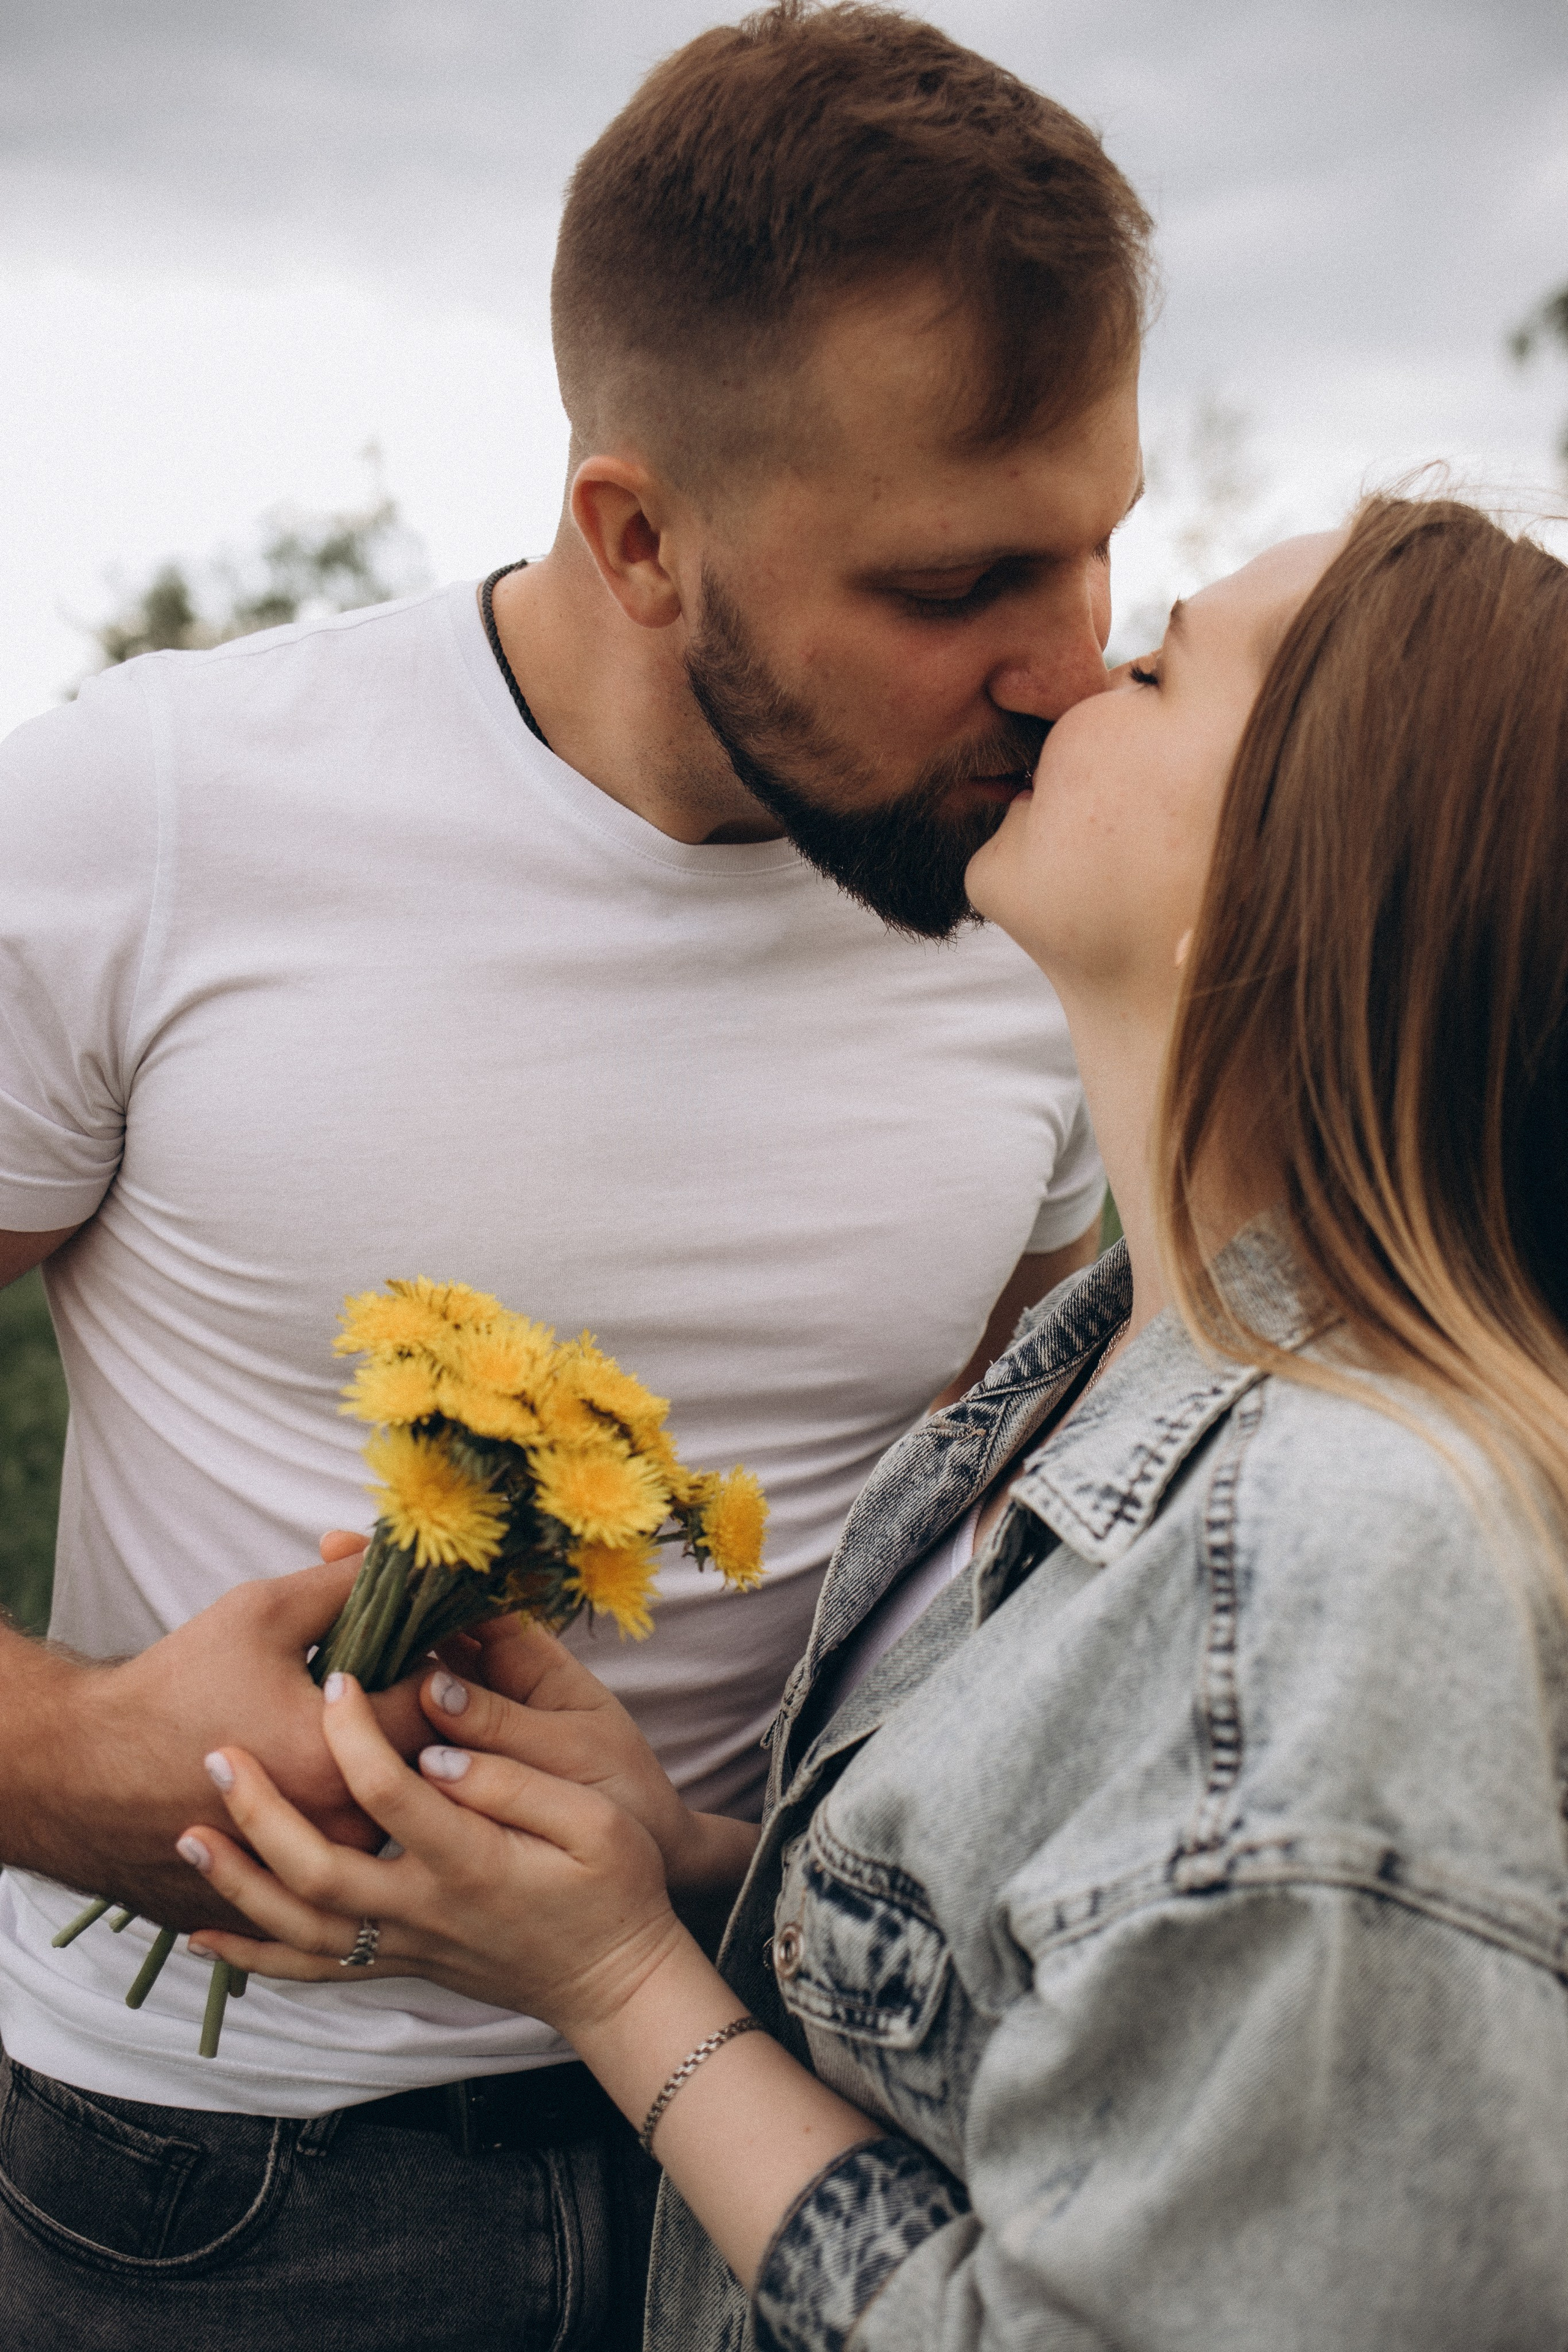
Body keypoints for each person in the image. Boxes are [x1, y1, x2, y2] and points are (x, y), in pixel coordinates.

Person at [0, 7, 1152, 2346]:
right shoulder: (155, 811)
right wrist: (61, 1771)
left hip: (826, 2154)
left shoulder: (1053, 907)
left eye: (1102, 551)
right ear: (639, 536)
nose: (1068, 669)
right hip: (224, 2196)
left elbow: (990, 1582)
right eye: (956, 589)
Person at [187, 492, 1568, 2351]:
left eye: (1157, 672)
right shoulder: (1077, 1373)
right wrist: (684, 1861)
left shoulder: (1344, 1555)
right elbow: (1037, 1983)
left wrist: (605, 1980)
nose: (1075, 677)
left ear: (1284, 887)